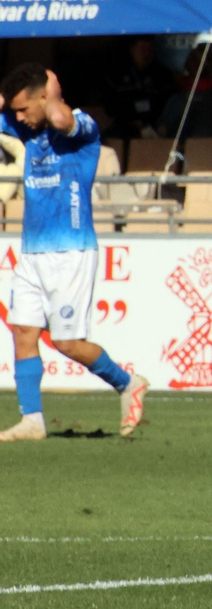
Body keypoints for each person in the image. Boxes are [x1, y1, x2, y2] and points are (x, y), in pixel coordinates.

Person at [0, 63, 150, 443]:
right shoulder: (25, 127)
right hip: (32, 251)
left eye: (24, 109)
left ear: (44, 98)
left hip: (71, 251)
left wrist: (49, 95)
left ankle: (128, 383)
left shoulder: (83, 128)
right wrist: (11, 98)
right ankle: (32, 420)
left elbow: (63, 119)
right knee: (23, 332)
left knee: (66, 343)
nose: (17, 118)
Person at [104, 36, 173, 140]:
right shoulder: (117, 74)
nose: (146, 54)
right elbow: (111, 107)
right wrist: (136, 123)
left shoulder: (162, 75)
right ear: (132, 49)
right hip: (126, 127)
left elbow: (168, 105)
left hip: (155, 128)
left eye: (150, 49)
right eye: (142, 49)